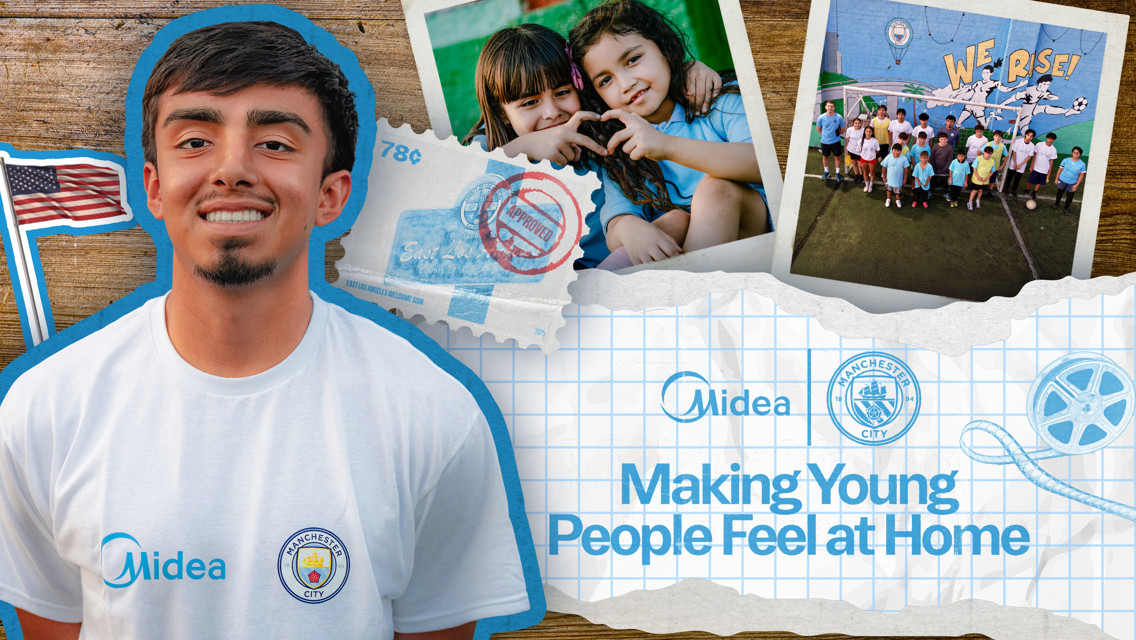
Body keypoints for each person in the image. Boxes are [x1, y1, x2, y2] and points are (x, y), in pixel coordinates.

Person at [0, 21, 531, 639]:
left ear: (331, 196)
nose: (231, 169)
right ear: (153, 188)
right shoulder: (45, 409)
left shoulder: (434, 412)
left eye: (275, 144)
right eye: (195, 140)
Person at [464, 23, 721, 269]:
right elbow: (458, 202)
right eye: (530, 102)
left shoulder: (602, 127)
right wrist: (522, 147)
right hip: (541, 281)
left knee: (677, 222)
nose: (552, 112)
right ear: (501, 112)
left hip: (621, 261)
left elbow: (635, 88)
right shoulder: (488, 148)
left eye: (563, 92)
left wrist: (686, 70)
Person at [569, 0, 768, 264]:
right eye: (606, 80)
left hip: (755, 235)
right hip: (686, 251)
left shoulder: (715, 101)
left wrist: (666, 146)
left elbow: (765, 162)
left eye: (633, 60)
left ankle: (693, 295)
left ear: (663, 48)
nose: (626, 84)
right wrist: (629, 228)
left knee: (715, 190)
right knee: (670, 223)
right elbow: (615, 224)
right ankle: (598, 302)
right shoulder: (619, 147)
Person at [816, 100, 846, 185]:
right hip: (824, 142)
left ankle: (837, 173)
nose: (830, 108)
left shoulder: (839, 117)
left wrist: (836, 134)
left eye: (832, 106)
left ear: (834, 108)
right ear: (826, 107)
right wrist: (826, 135)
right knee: (825, 157)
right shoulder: (821, 117)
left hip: (836, 142)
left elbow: (843, 129)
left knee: (837, 157)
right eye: (828, 106)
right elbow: (818, 129)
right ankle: (826, 172)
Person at [1053, 146, 1086, 214]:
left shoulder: (1082, 164)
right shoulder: (1066, 160)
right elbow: (1060, 169)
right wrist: (1056, 179)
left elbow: (1081, 175)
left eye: (1078, 153)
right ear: (1072, 152)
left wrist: (1076, 185)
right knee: (1060, 193)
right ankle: (1056, 204)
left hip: (1072, 183)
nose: (1076, 154)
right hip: (1062, 180)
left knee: (1070, 196)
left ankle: (1066, 208)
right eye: (1074, 152)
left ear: (1080, 154)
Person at [1027, 131, 1059, 200]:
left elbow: (1051, 161)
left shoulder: (1053, 150)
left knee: (1039, 182)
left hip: (1044, 169)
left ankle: (1034, 192)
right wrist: (1031, 165)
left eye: (1052, 139)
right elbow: (1034, 155)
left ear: (1054, 140)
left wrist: (1049, 172)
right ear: (1047, 138)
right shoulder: (1039, 144)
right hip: (1036, 167)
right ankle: (1027, 189)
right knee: (1030, 180)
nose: (1050, 140)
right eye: (1049, 138)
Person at [1006, 128, 1036, 198]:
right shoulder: (1018, 141)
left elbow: (1029, 157)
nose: (1029, 137)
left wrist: (1020, 165)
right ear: (1025, 135)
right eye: (1028, 135)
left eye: (1031, 136)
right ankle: (1006, 189)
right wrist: (1015, 163)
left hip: (1022, 165)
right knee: (1009, 177)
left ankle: (1013, 190)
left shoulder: (1032, 145)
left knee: (1017, 178)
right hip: (1013, 163)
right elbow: (1014, 152)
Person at [880, 143, 909, 208]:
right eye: (894, 150)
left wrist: (905, 179)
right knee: (889, 190)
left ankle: (897, 200)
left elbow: (906, 169)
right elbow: (884, 167)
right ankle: (888, 199)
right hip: (889, 179)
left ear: (900, 151)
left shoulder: (904, 158)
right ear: (892, 150)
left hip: (898, 179)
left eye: (898, 151)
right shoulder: (888, 157)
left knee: (897, 191)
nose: (896, 152)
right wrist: (884, 177)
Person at [969, 145, 997, 210]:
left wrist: (987, 178)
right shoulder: (978, 158)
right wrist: (978, 177)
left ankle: (978, 200)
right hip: (976, 179)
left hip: (985, 180)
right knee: (974, 191)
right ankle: (970, 201)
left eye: (990, 154)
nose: (988, 155)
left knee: (981, 190)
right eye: (987, 153)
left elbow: (992, 171)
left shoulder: (992, 161)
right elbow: (974, 168)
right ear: (984, 152)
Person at [930, 131, 955, 202]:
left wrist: (944, 169)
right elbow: (932, 158)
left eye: (944, 139)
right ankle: (930, 192)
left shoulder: (950, 148)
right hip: (935, 169)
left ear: (947, 139)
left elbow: (950, 160)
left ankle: (946, 193)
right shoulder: (935, 146)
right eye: (941, 139)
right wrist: (934, 168)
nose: (943, 141)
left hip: (944, 170)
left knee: (944, 182)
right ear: (938, 139)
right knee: (933, 181)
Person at [858, 125, 880, 193]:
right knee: (865, 172)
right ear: (864, 132)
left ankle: (871, 185)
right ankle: (866, 185)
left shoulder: (875, 141)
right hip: (863, 159)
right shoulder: (861, 141)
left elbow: (877, 150)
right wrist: (865, 155)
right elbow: (859, 150)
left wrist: (872, 155)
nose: (868, 133)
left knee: (872, 173)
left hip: (872, 159)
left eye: (870, 132)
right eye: (867, 131)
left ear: (872, 133)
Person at [844, 116, 864, 183]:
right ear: (853, 123)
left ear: (861, 123)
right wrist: (847, 149)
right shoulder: (849, 130)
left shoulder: (863, 130)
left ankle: (861, 175)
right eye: (856, 123)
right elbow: (847, 140)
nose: (857, 124)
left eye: (858, 123)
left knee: (859, 164)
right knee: (854, 163)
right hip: (851, 149)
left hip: (860, 151)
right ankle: (856, 175)